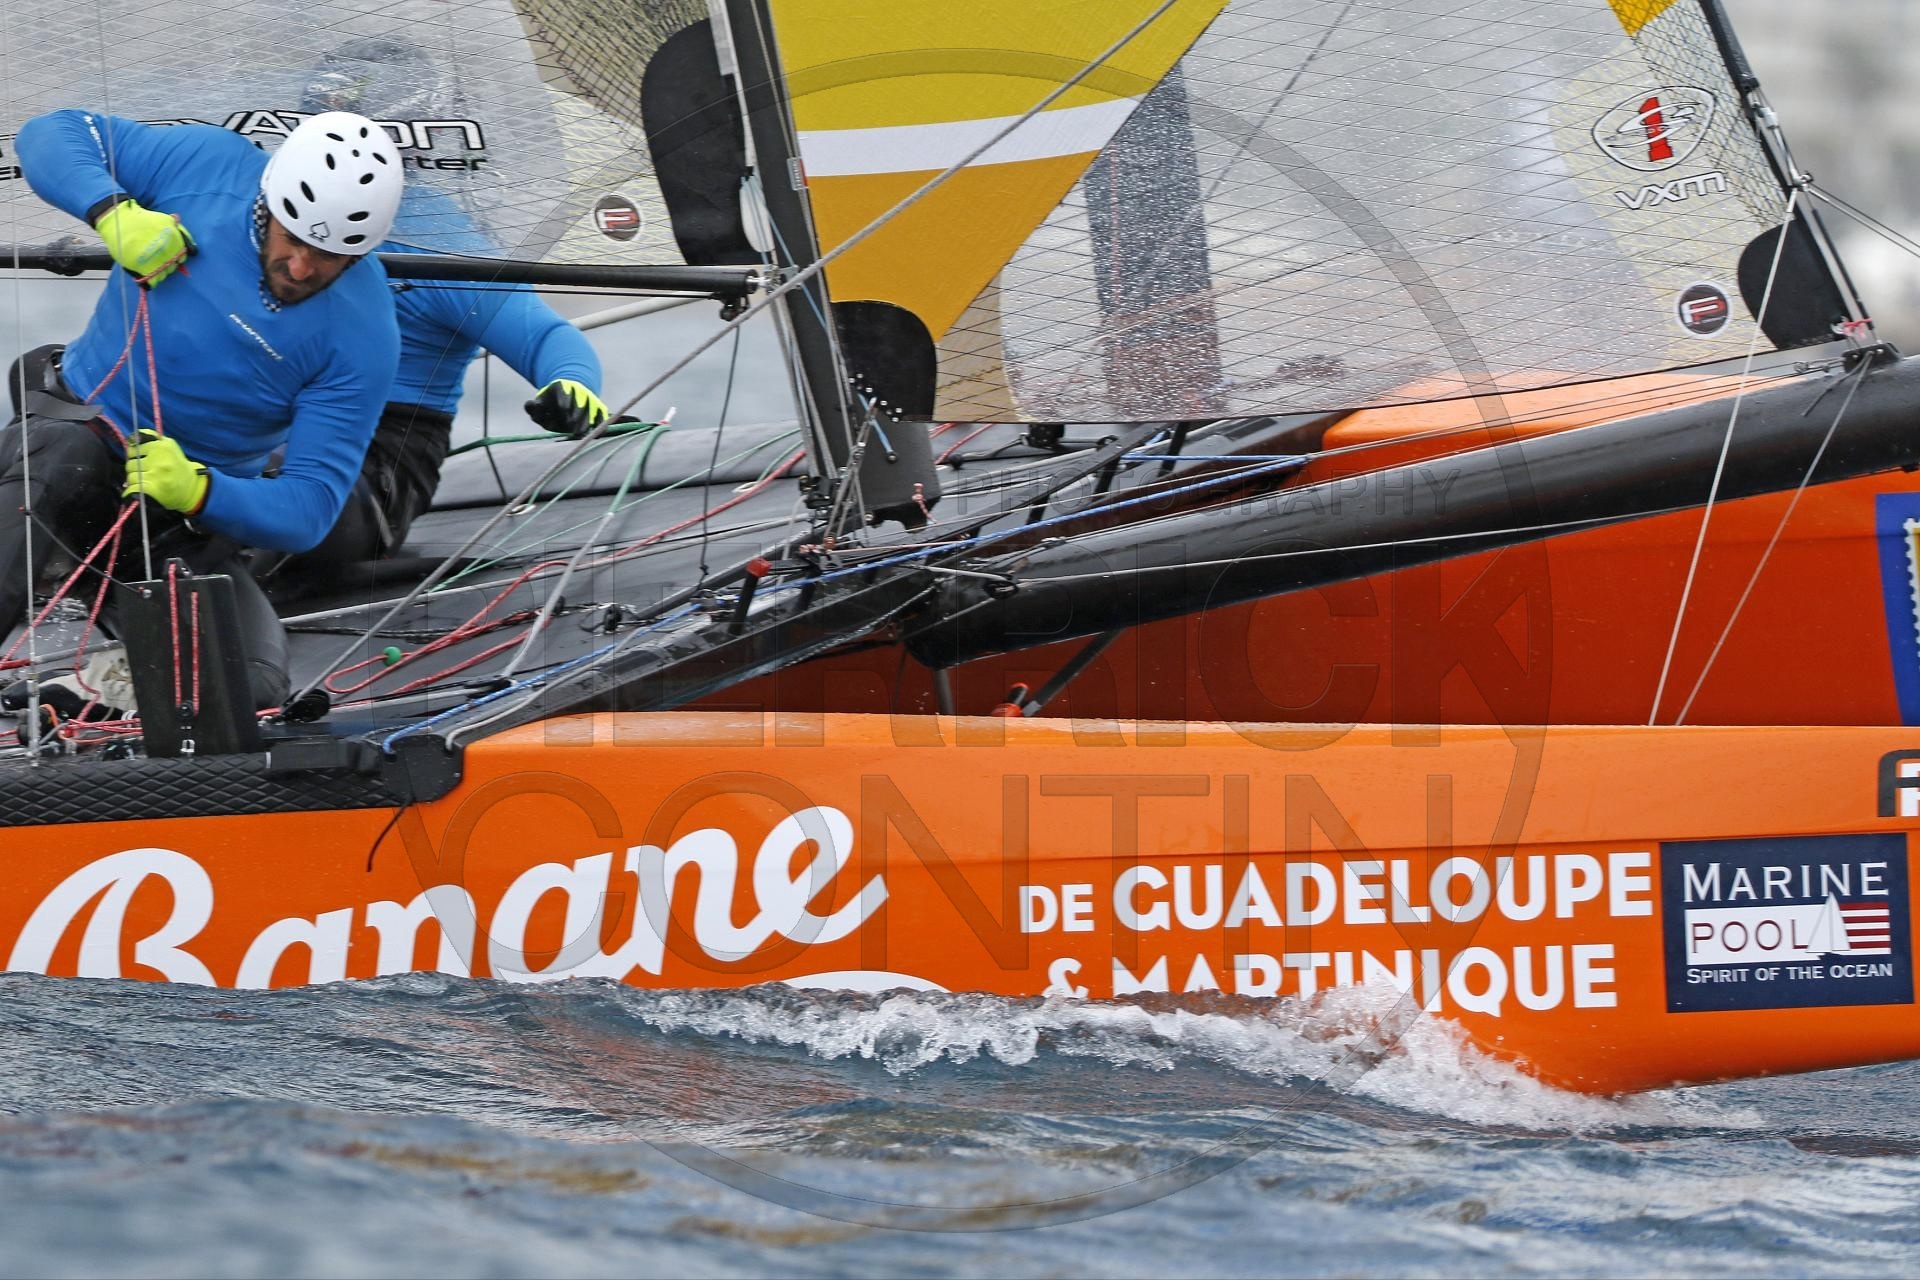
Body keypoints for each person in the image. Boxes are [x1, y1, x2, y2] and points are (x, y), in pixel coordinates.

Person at [1, 108, 403, 714]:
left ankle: (99, 683)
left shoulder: (364, 334)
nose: (300, 268)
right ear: (267, 202)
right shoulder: (208, 165)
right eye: (293, 238)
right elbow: (46, 133)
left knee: (250, 689)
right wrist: (112, 212)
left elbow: (311, 507)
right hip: (66, 445)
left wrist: (199, 490)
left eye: (327, 255)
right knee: (65, 459)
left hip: (167, 516)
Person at [281, 36, 608, 572]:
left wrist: (572, 385)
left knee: (256, 486)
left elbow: (548, 337)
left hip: (378, 457)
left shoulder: (444, 244)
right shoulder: (263, 213)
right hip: (265, 421)